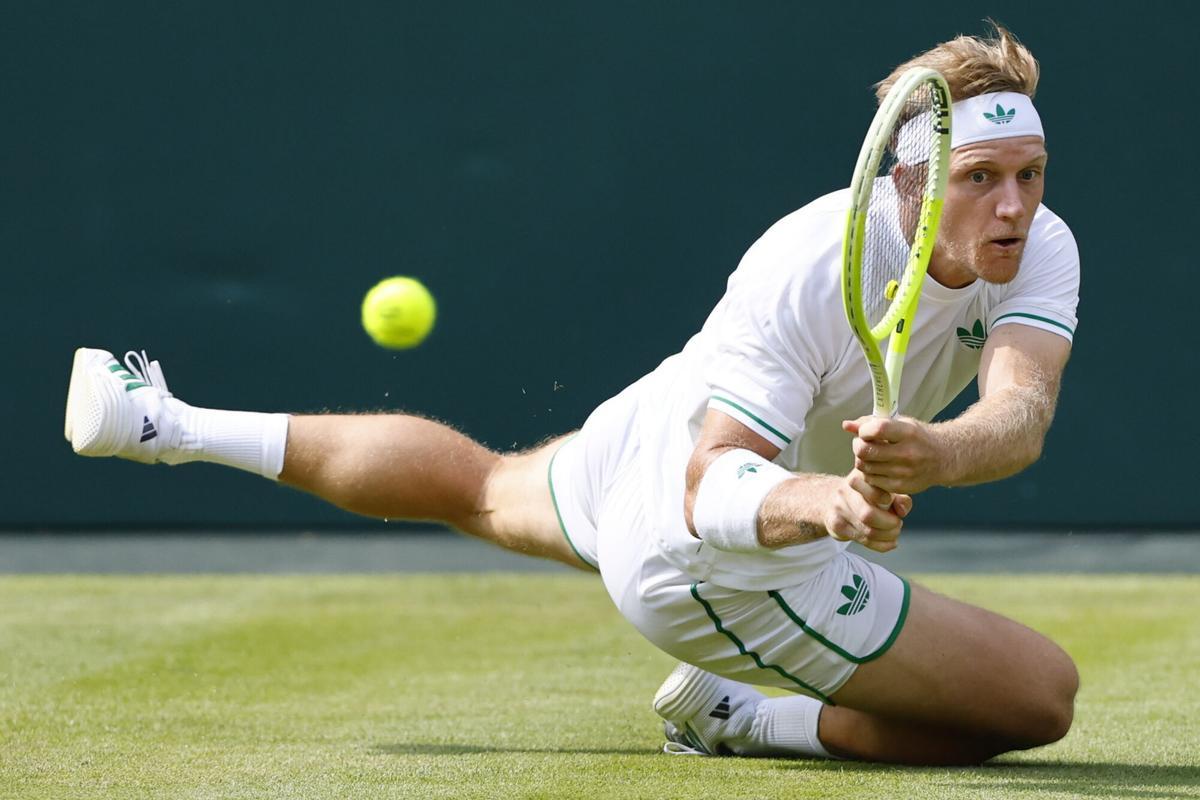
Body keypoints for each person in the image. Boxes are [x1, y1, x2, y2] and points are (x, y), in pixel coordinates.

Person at [65, 23, 1080, 766]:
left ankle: (163, 418)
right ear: (904, 182)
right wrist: (829, 502)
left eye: (1030, 174)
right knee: (1042, 695)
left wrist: (938, 453)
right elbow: (709, 488)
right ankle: (743, 714)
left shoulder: (1042, 243)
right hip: (711, 553)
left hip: (653, 421)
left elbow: (1020, 411)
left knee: (477, 484)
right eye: (980, 176)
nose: (1013, 205)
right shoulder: (807, 269)